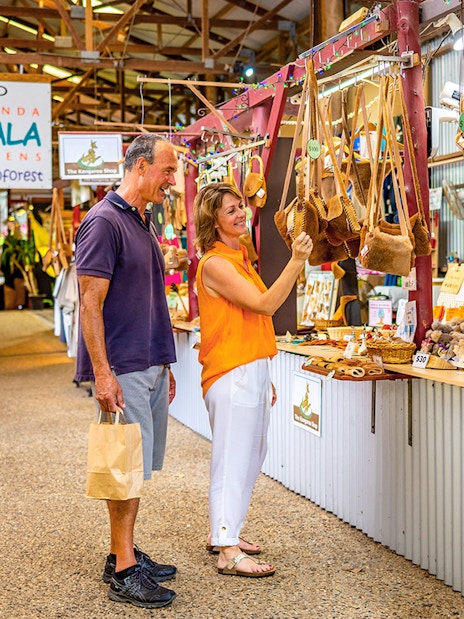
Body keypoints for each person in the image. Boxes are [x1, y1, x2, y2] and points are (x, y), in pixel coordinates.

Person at [75, 134, 178, 609]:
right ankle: (123, 569)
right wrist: (103, 373)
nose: (172, 181)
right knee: (123, 471)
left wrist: (165, 362)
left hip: (148, 362)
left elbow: (147, 296)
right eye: (167, 170)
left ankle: (124, 549)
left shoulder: (140, 220)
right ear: (140, 167)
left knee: (136, 468)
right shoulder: (103, 222)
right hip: (124, 366)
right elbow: (89, 304)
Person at [193, 181, 313, 578]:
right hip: (232, 372)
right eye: (231, 210)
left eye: (240, 206)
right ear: (214, 221)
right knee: (232, 458)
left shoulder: (238, 255)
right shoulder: (215, 263)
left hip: (249, 369)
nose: (241, 213)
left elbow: (249, 319)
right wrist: (296, 260)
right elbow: (264, 305)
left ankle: (228, 531)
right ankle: (227, 548)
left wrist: (263, 372)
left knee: (251, 454)